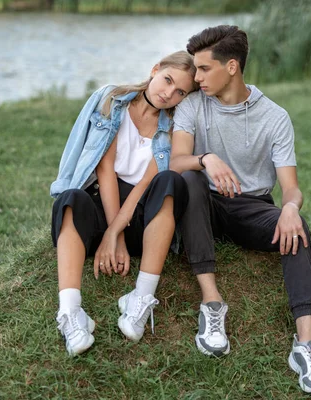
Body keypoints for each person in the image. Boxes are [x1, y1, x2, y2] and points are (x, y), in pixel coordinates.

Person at [169, 26, 311, 394]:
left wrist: (291, 207)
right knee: (191, 180)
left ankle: (305, 345)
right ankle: (212, 305)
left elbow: (290, 187)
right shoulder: (193, 105)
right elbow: (176, 162)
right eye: (195, 69)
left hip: (251, 208)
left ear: (231, 67)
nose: (196, 78)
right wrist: (206, 158)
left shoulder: (275, 117)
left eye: (204, 69)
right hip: (203, 206)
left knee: (297, 226)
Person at [50, 51, 198, 356]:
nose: (169, 93)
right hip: (102, 204)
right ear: (155, 69)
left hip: (144, 220)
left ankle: (141, 299)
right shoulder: (112, 100)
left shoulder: (173, 127)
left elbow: (145, 184)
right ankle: (71, 313)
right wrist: (108, 232)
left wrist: (115, 234)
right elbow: (105, 171)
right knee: (71, 199)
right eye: (167, 80)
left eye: (180, 91)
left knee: (170, 182)